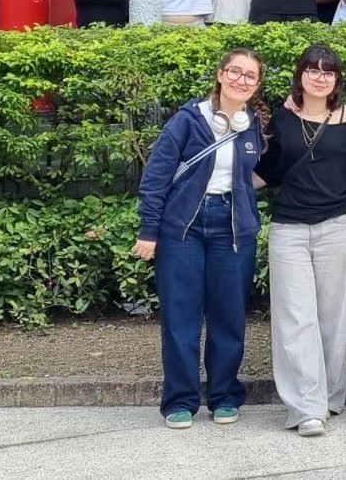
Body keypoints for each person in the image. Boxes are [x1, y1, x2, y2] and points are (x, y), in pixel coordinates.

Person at [133, 48, 268, 428]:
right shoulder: (187, 121)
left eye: (250, 76)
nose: (241, 80)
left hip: (233, 227)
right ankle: (180, 400)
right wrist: (149, 229)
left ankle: (224, 396)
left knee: (229, 316)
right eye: (235, 72)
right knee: (181, 316)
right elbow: (156, 177)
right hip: (184, 227)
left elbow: (267, 170)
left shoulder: (255, 126)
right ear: (221, 74)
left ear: (257, 85)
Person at [256, 44, 346, 436]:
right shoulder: (282, 118)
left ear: (338, 80)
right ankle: (306, 407)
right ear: (300, 74)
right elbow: (268, 170)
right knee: (294, 317)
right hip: (288, 229)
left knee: (332, 317)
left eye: (328, 71)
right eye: (312, 70)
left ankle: (330, 396)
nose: (320, 77)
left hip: (335, 227)